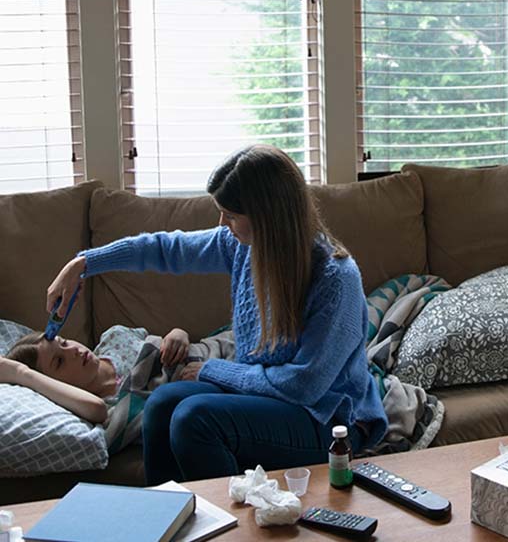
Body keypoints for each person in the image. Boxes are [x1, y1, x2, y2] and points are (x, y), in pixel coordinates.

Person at [45, 145, 388, 485]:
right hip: (269, 397)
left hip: (329, 417)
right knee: (162, 404)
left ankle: (233, 525)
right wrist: (84, 264)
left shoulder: (335, 278)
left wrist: (213, 370)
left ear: (269, 216)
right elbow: (166, 249)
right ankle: (169, 522)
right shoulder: (239, 245)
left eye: (232, 215)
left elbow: (304, 386)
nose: (222, 223)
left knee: (194, 419)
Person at [1, 326, 194, 424]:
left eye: (65, 342)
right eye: (59, 361)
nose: (72, 351)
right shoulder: (94, 405)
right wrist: (21, 374)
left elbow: (165, 340)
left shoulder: (115, 336)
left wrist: (178, 333)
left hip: (206, 355)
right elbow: (96, 410)